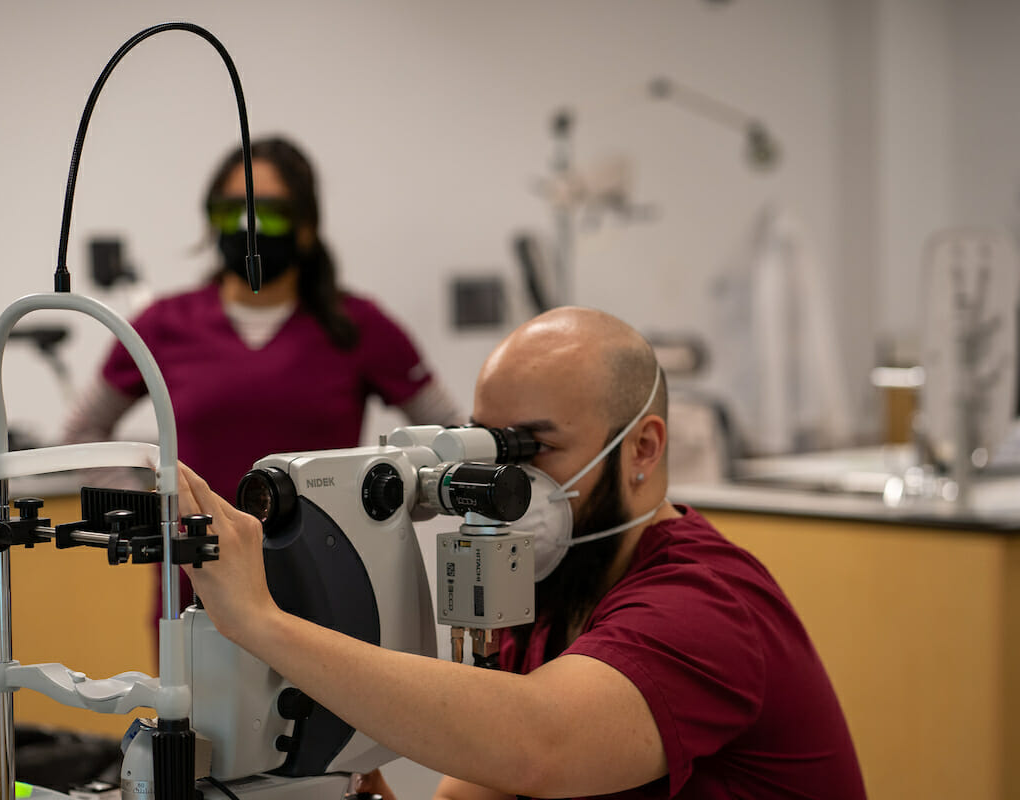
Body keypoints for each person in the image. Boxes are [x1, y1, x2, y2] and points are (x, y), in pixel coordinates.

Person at [177, 305, 866, 799]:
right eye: (487, 445)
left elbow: (540, 745)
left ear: (644, 449)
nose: (504, 484)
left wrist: (260, 621)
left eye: (534, 448)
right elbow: (484, 784)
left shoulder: (707, 607)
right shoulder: (549, 589)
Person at [63, 136, 462, 623]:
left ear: (306, 227)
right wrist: (155, 513)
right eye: (230, 213)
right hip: (198, 591)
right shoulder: (163, 324)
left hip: (332, 585)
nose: (247, 228)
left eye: (268, 214)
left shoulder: (359, 325)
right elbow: (82, 433)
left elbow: (453, 438)